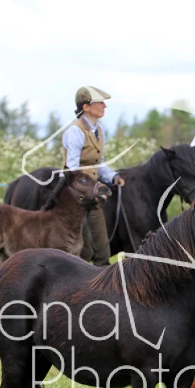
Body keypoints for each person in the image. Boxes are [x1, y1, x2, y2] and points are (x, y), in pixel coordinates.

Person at [62, 86, 123, 266]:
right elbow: (72, 169)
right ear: (86, 107)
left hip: (92, 197)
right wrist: (92, 187)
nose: (104, 106)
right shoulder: (76, 130)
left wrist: (112, 177)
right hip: (76, 199)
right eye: (100, 103)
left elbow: (99, 163)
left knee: (103, 250)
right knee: (83, 251)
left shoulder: (99, 130)